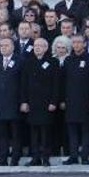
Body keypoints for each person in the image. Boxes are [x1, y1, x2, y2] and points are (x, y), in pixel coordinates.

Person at [20, 38, 59, 167]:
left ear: (46, 48)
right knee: (34, 131)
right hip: (32, 102)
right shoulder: (28, 62)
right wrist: (24, 102)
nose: (37, 48)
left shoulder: (53, 62)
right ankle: (35, 157)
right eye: (35, 45)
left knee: (45, 131)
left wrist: (53, 101)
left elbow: (56, 84)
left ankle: (46, 157)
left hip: (46, 102)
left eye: (40, 46)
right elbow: (23, 83)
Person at [60, 35, 89, 165]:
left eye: (79, 42)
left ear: (85, 44)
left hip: (86, 101)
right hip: (71, 101)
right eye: (74, 42)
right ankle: (73, 156)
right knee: (72, 130)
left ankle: (85, 156)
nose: (76, 44)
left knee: (86, 130)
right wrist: (63, 100)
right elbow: (63, 82)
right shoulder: (68, 60)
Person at [0, 38, 23, 166]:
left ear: (13, 47)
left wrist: (23, 102)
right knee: (2, 133)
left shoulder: (20, 61)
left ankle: (15, 157)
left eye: (6, 45)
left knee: (15, 133)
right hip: (0, 103)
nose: (3, 48)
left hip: (14, 102)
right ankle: (2, 157)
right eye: (1, 46)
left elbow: (23, 84)